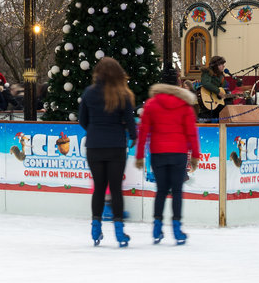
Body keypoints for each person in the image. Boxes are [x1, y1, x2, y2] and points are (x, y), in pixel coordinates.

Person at [78, 56, 137, 248]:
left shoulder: (89, 93)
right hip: (116, 146)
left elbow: (82, 120)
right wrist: (130, 136)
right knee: (116, 190)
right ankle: (119, 232)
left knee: (100, 188)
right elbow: (130, 123)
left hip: (94, 146)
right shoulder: (123, 94)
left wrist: (95, 130)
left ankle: (96, 227)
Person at [134, 68, 198, 245]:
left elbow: (144, 131)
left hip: (158, 154)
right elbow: (191, 133)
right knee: (177, 191)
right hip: (178, 154)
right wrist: (195, 156)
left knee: (161, 190)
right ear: (178, 84)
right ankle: (177, 229)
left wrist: (139, 156)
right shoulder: (184, 105)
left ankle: (156, 226)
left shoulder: (151, 104)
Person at [195, 57, 229, 121]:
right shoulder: (207, 72)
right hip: (208, 101)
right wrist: (218, 91)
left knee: (227, 110)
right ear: (216, 65)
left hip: (217, 103)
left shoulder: (221, 76)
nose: (223, 66)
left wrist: (231, 96)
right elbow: (206, 83)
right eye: (221, 64)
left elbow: (222, 90)